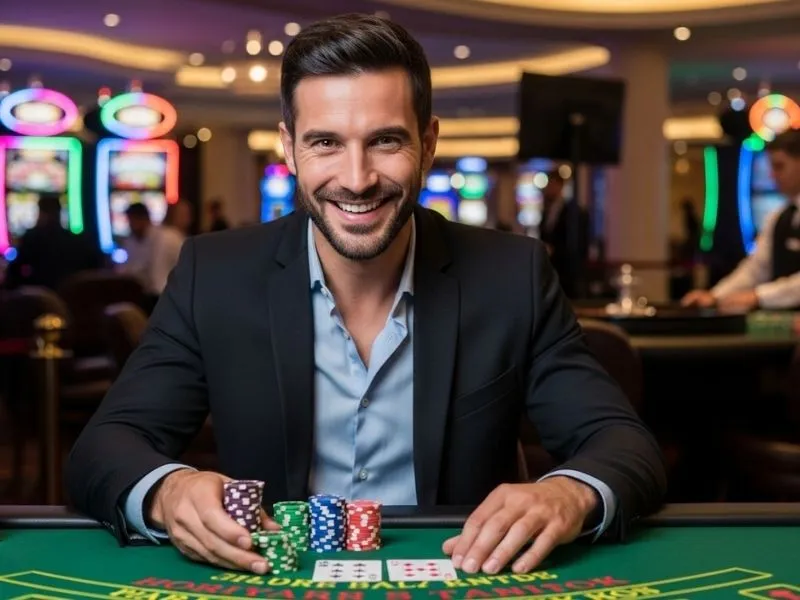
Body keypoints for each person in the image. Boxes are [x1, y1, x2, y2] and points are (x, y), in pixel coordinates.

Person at [66, 13, 665, 578]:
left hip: (460, 577)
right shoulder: (215, 274)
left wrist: (568, 493)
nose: (356, 179)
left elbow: (622, 444)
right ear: (289, 147)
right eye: (326, 143)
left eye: (385, 141)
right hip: (274, 580)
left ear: (428, 143)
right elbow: (104, 446)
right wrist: (169, 490)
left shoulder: (512, 274)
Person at [682, 128, 800, 311]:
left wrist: (758, 296)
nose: (772, 175)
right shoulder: (779, 217)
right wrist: (715, 296)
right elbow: (756, 269)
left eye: (779, 166)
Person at [4, 193, 103, 290]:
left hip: (42, 294)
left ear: (41, 213)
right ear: (60, 213)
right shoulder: (75, 239)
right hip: (70, 294)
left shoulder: (32, 237)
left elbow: (14, 273)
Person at [538, 171, 589, 298]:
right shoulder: (546, 210)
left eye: (552, 184)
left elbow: (576, 242)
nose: (549, 188)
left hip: (567, 269)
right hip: (551, 267)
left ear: (560, 186)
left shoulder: (572, 211)